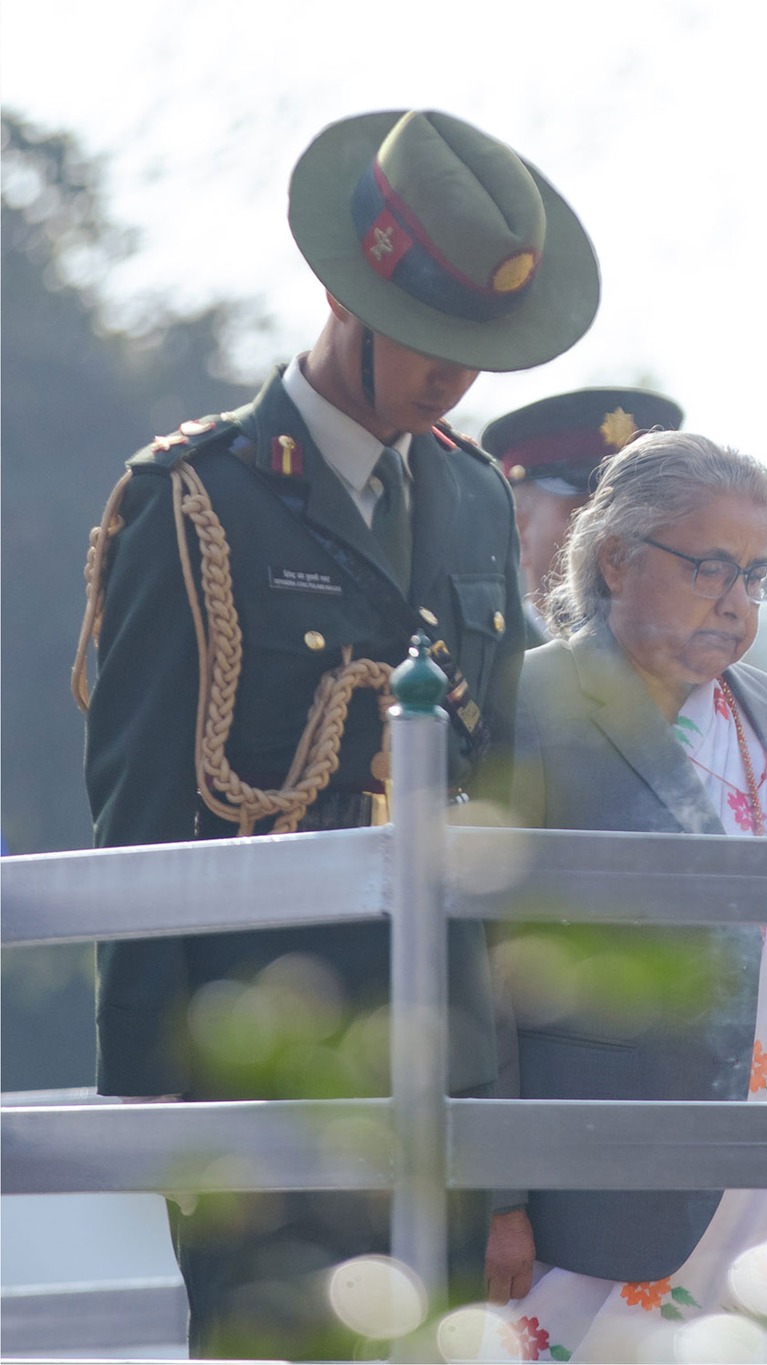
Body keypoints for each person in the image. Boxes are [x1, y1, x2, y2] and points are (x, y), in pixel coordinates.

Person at [73, 108, 599, 1358]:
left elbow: (504, 791)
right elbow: (142, 795)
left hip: (453, 1057)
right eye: (426, 338)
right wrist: (153, 1088)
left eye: (476, 348)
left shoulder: (474, 494)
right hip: (265, 1048)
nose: (451, 376)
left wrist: (514, 1116)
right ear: (339, 293)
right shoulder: (195, 498)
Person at [484, 431, 767, 1363]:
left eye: (755, 575)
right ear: (617, 558)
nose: (735, 603)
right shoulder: (528, 704)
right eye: (709, 568)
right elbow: (478, 962)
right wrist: (495, 1196)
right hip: (608, 1198)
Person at [481, 387, 684, 646]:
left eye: (641, 514)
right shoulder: (481, 666)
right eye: (588, 514)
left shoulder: (694, 673)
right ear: (520, 532)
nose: (621, 535)